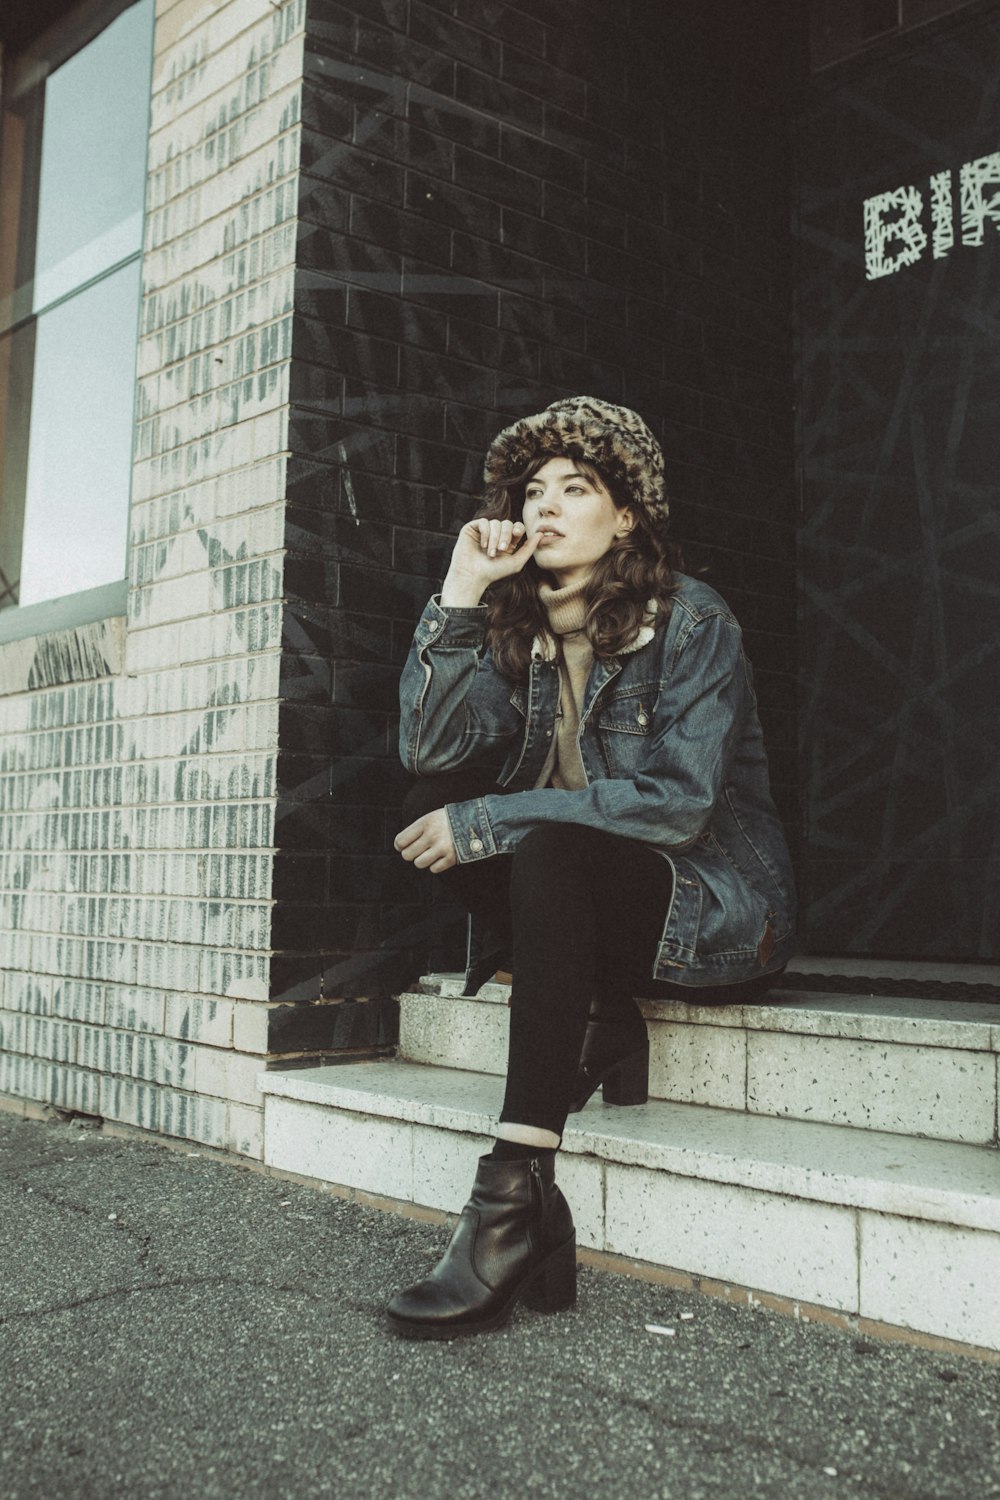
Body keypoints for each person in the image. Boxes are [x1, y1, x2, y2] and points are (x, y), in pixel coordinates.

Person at [387, 397, 796, 1339]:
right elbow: (428, 747)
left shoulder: (694, 621)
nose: (547, 506)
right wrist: (459, 590)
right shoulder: (516, 624)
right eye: (534, 490)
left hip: (712, 910)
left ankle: (512, 1194)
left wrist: (496, 816)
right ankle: (600, 1018)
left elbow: (679, 805)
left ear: (628, 516)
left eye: (578, 488)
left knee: (539, 836)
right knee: (421, 810)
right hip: (585, 899)